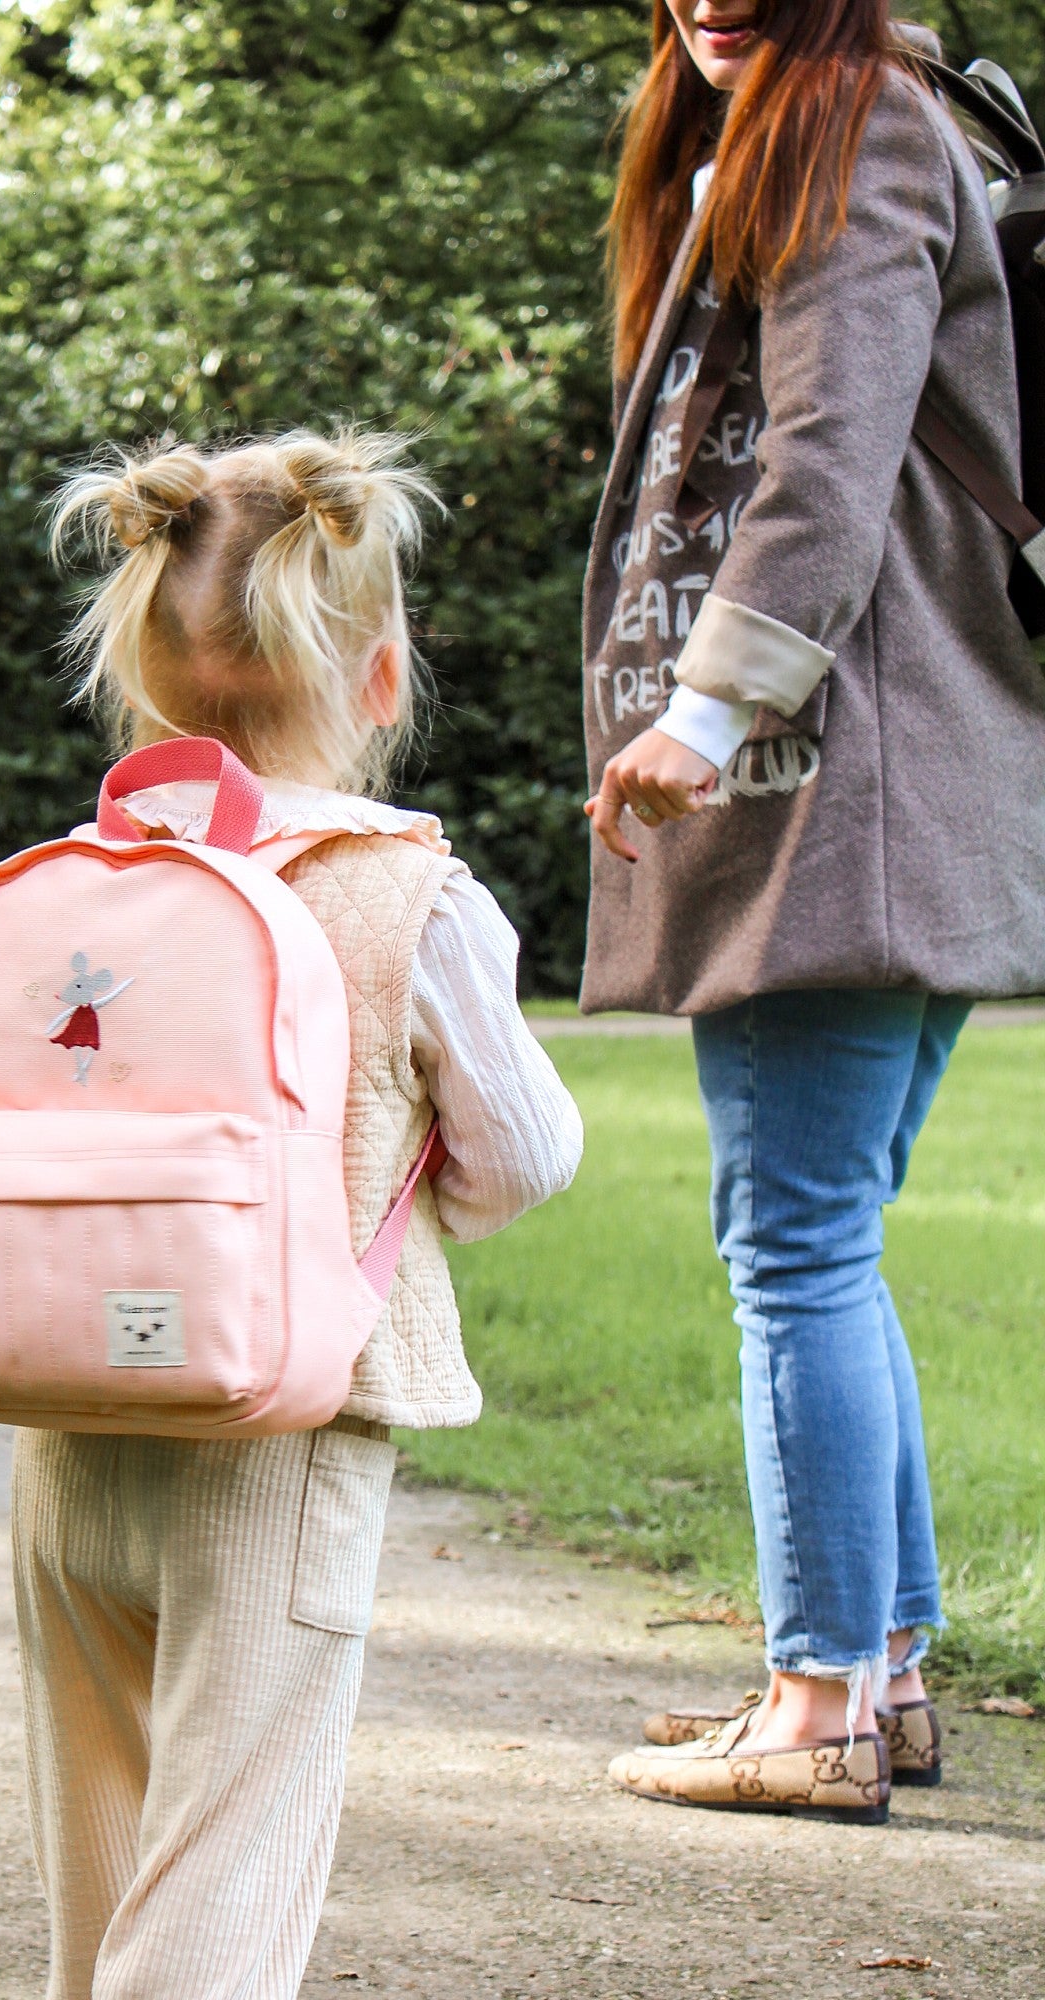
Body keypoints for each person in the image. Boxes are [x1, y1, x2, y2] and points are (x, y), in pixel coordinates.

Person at [20, 428, 583, 1999]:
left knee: (107, 1864)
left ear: (134, 669)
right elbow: (523, 1154)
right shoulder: (411, 894)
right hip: (278, 1435)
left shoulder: (76, 878)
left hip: (63, 1417)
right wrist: (407, 1188)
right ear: (385, 675)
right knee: (226, 1873)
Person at [585, 0, 1045, 1821]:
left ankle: (819, 1696)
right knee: (824, 1236)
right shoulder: (896, 117)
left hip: (835, 773)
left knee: (790, 1245)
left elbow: (828, 456)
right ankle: (888, 1675)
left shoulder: (851, 126)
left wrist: (707, 710)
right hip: (920, 768)